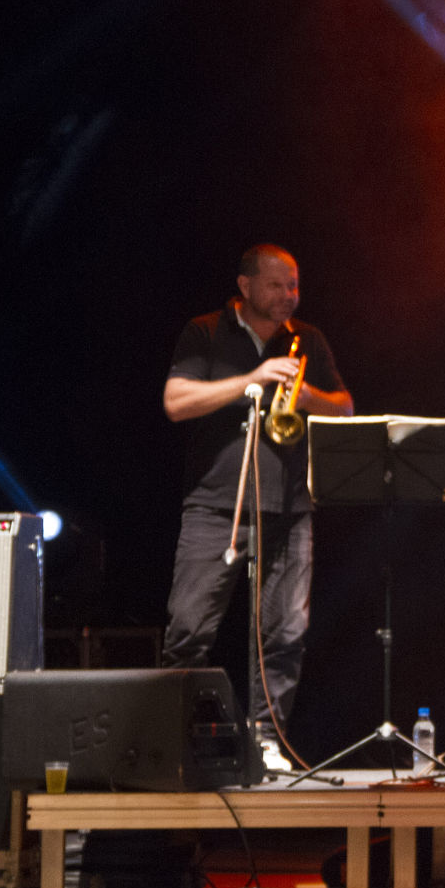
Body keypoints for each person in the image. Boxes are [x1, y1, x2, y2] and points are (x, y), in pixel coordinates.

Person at [161, 244, 353, 774]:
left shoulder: (307, 339)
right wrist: (252, 380)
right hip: (215, 506)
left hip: (290, 509)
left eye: (294, 285)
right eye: (276, 285)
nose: (289, 295)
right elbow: (176, 402)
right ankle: (174, 740)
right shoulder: (205, 331)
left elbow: (345, 407)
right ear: (245, 286)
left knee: (284, 635)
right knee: (188, 630)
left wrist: (306, 396)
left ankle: (267, 740)